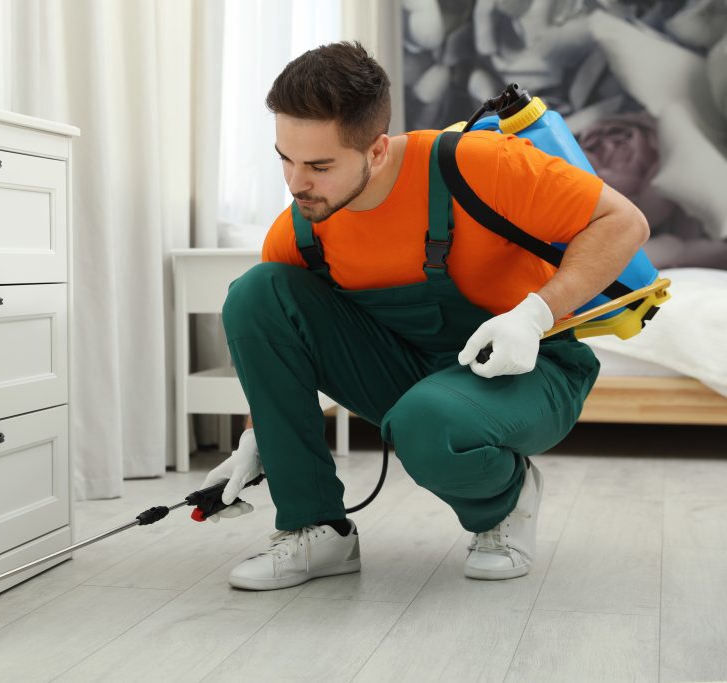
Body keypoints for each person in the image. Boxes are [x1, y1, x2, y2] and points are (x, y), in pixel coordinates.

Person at [201, 42, 649, 591]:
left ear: (378, 151)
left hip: (533, 368)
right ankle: (316, 529)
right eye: (286, 160)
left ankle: (506, 501)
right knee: (255, 293)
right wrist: (257, 438)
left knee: (427, 422)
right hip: (413, 370)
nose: (296, 184)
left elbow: (624, 222)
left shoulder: (475, 165)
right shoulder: (297, 231)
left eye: (319, 165)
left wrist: (534, 314)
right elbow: (275, 349)